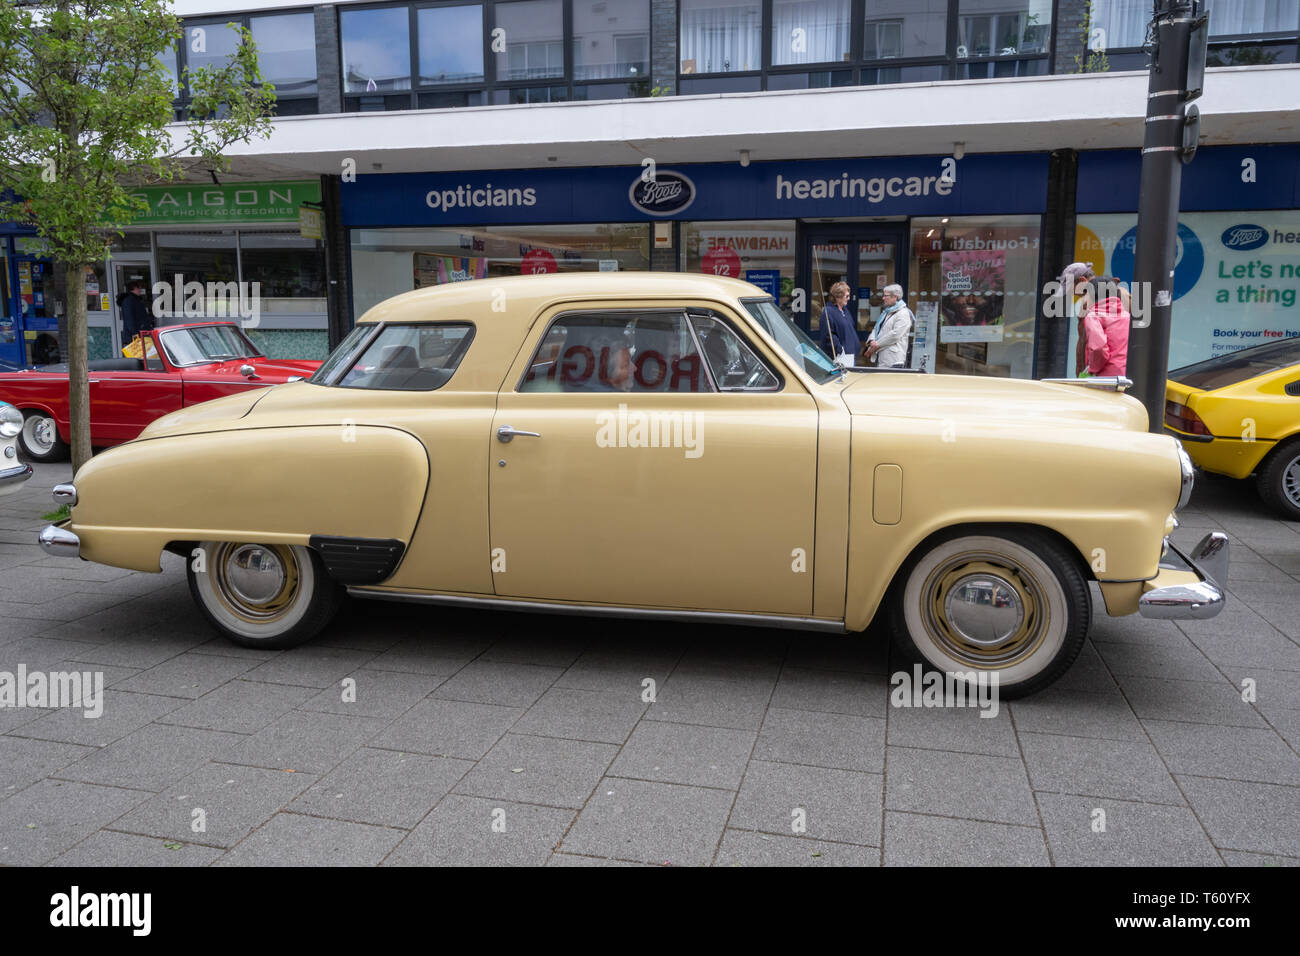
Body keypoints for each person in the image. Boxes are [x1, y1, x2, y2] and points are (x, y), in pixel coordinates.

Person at [1079, 276, 1131, 377]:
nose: (1085, 301)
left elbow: (1099, 349)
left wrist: (1091, 369)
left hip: (1106, 377)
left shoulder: (1094, 316)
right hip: (1126, 376)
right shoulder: (1126, 316)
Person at [866, 284, 913, 368]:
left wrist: (877, 344)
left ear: (895, 297)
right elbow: (877, 328)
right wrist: (871, 340)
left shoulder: (903, 313)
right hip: (881, 356)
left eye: (885, 296)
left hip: (893, 359)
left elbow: (895, 334)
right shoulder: (887, 312)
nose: (883, 298)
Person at [818, 281, 859, 367]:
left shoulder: (845, 311)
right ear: (838, 297)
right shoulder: (828, 311)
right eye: (846, 296)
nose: (849, 298)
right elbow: (828, 335)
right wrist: (840, 349)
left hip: (850, 356)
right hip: (839, 358)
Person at [116, 280, 151, 348]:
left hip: (139, 333)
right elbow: (129, 319)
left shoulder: (135, 300)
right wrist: (135, 333)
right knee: (137, 355)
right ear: (134, 288)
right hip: (135, 335)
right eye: (139, 288)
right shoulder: (129, 301)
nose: (140, 290)